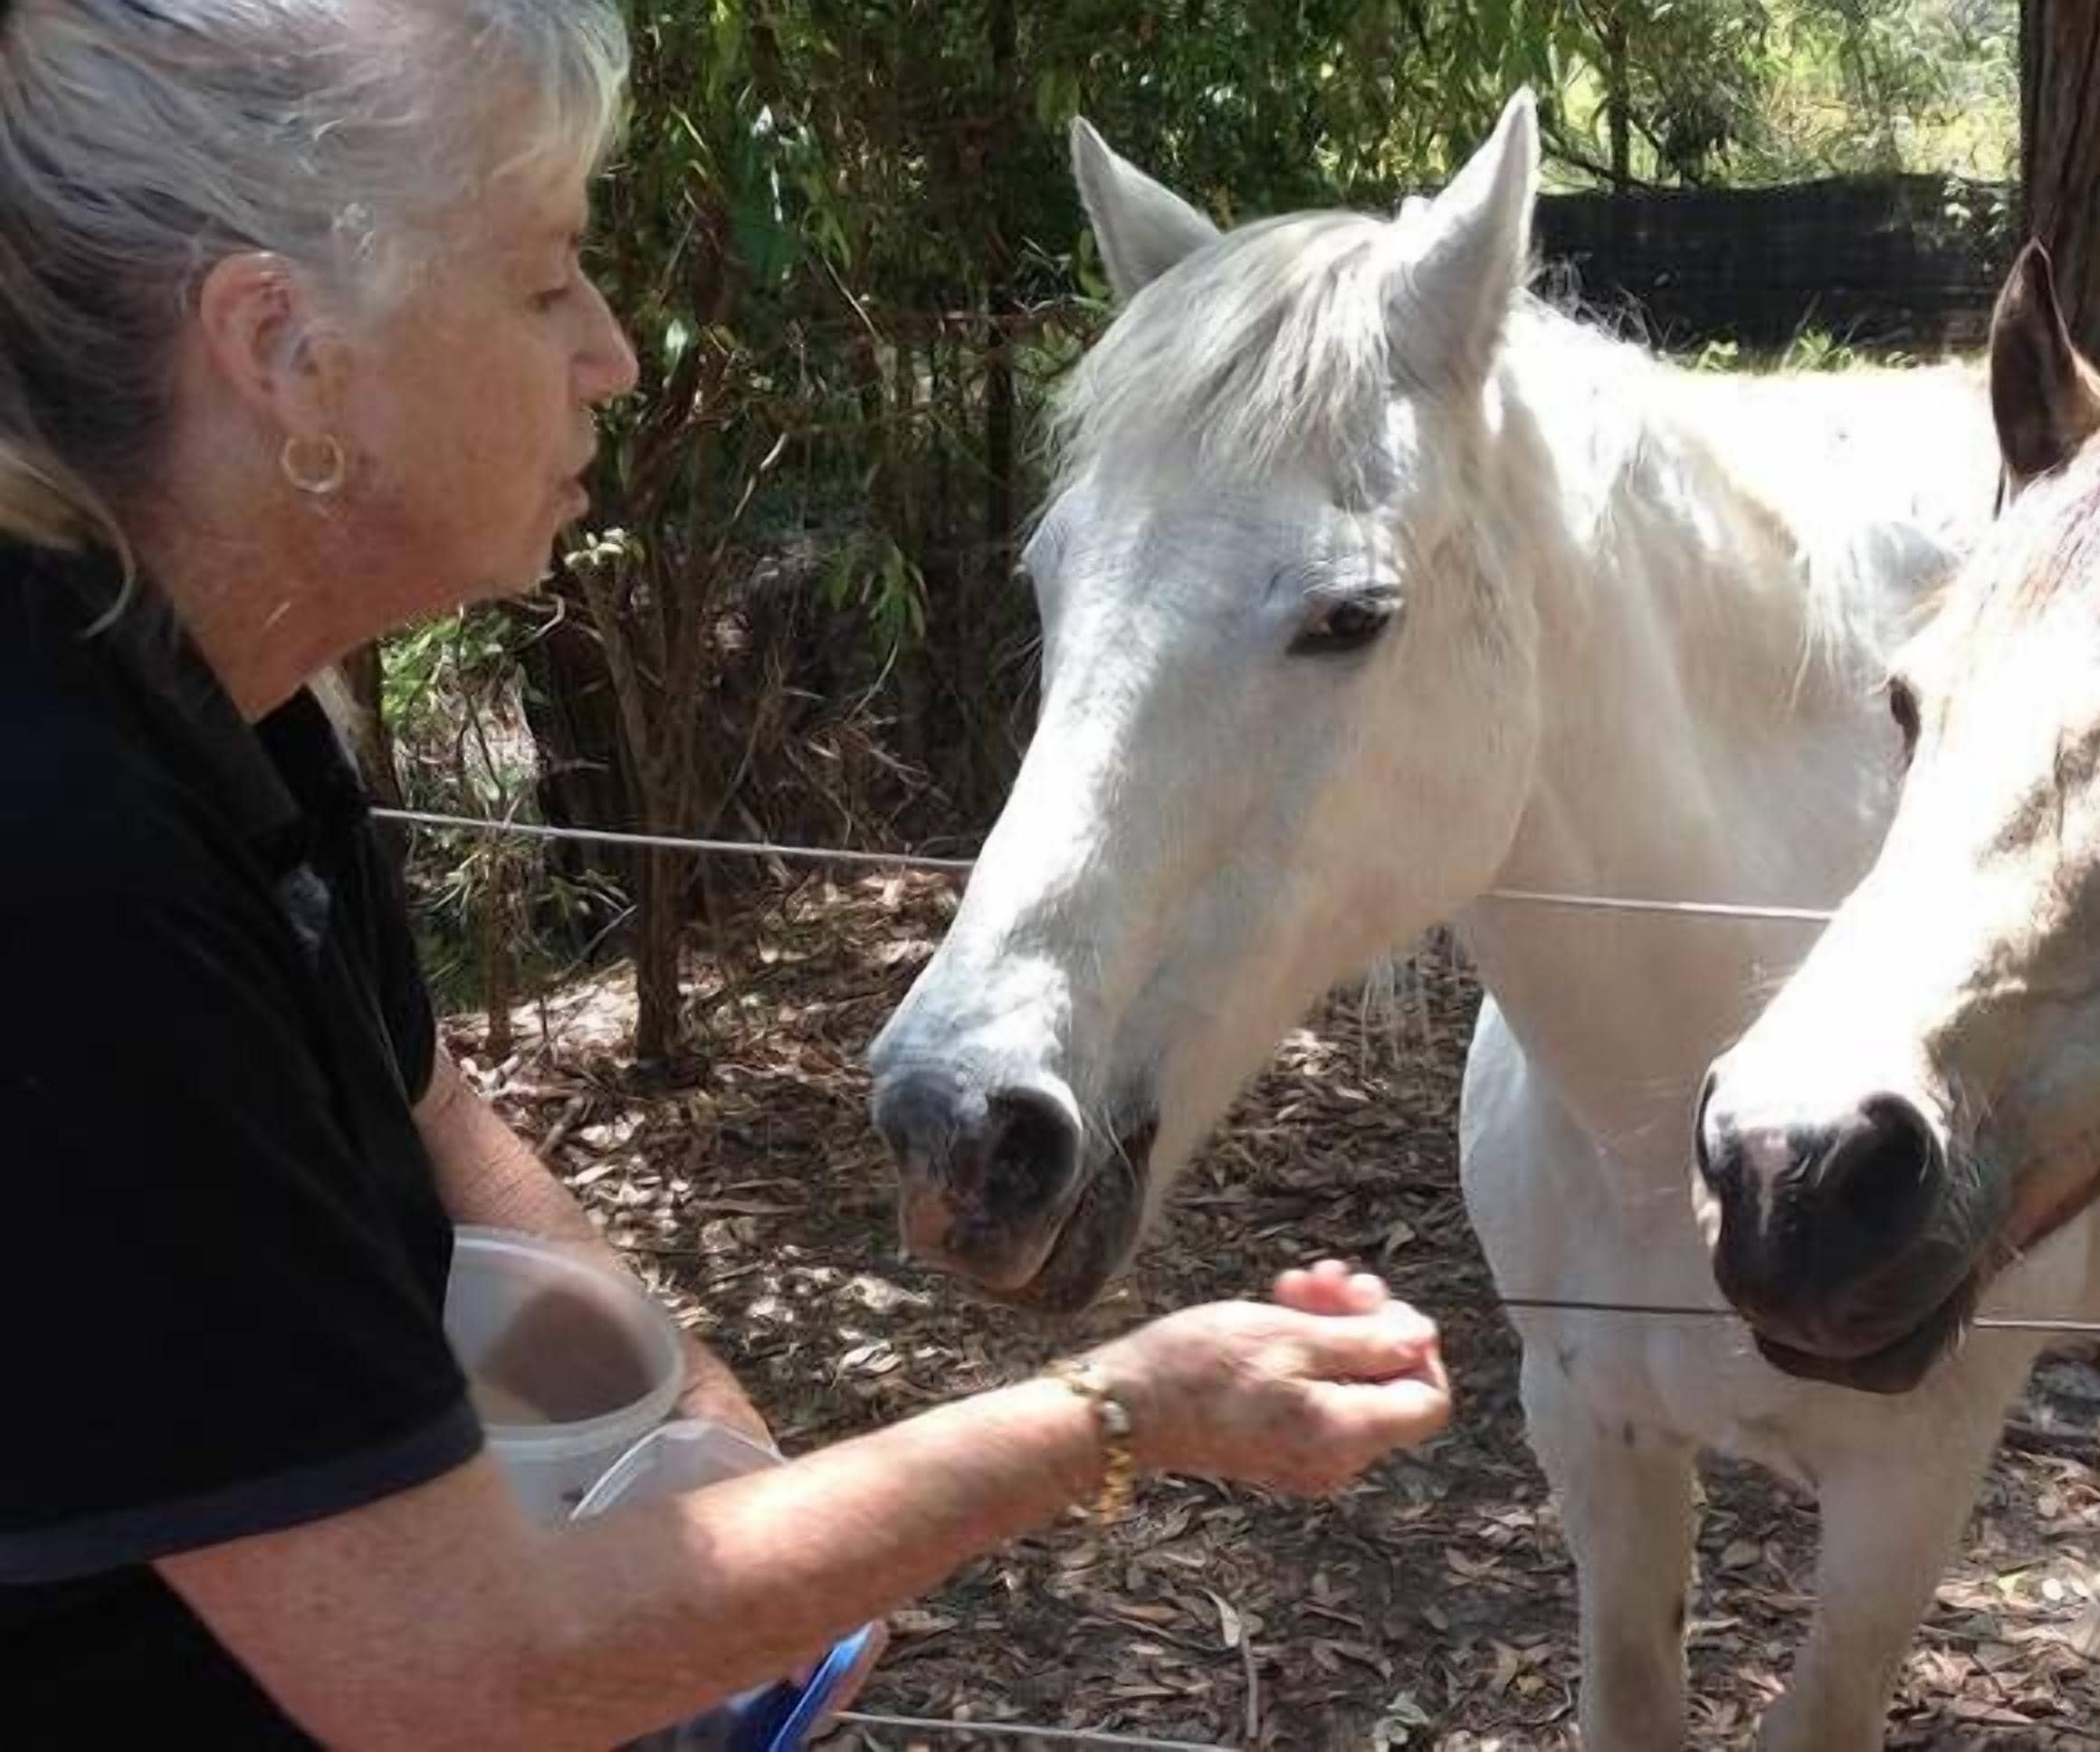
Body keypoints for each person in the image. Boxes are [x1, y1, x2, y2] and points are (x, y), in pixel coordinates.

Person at [0, 3, 1455, 1747]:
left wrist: (685, 1406)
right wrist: (1124, 1415)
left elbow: (423, 1105)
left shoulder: (208, 710)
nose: (612, 352)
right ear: (284, 349)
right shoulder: (64, 861)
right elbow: (468, 1671)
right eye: (546, 281)